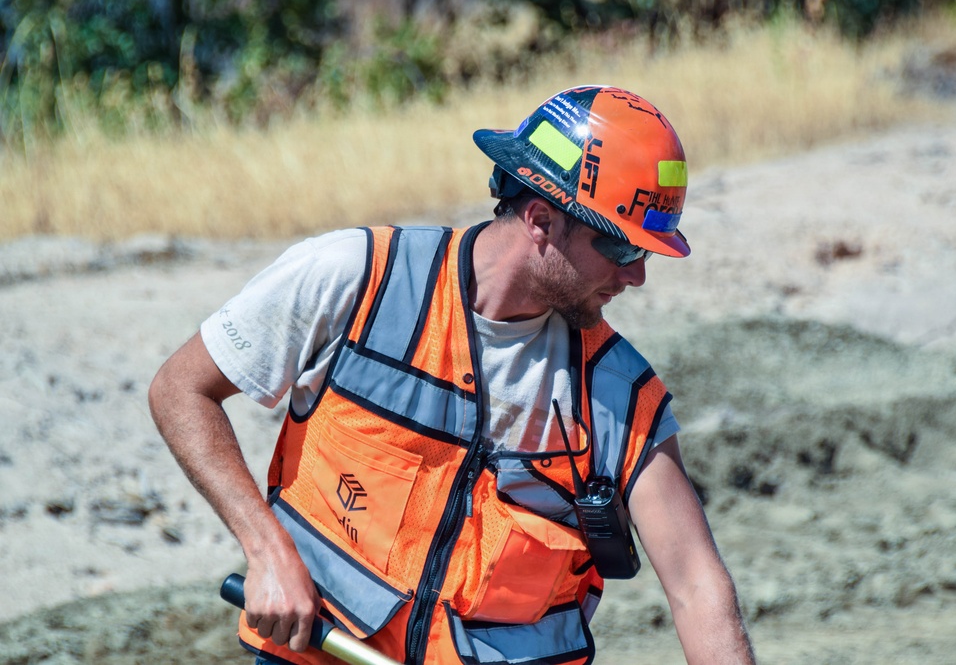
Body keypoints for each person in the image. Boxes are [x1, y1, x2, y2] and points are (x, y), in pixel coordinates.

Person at [148, 85, 755, 665]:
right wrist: (266, 551)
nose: (637, 275)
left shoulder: (618, 390)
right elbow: (181, 389)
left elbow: (697, 586)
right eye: (623, 249)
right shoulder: (358, 278)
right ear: (541, 220)